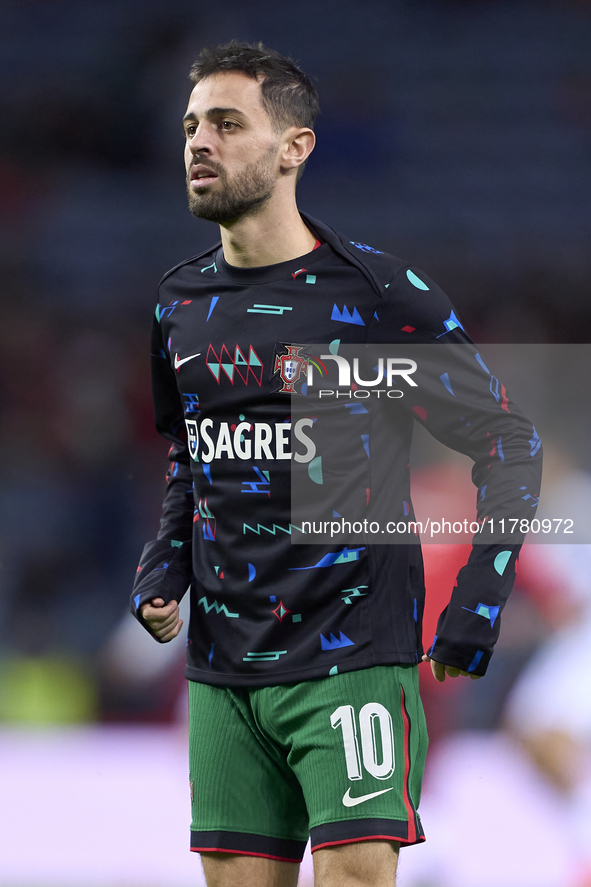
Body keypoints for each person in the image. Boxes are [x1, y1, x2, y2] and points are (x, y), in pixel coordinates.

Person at [131, 41, 542, 887]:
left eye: (227, 123)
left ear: (295, 148)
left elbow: (508, 441)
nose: (198, 142)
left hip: (348, 654)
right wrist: (162, 564)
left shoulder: (378, 294)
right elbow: (191, 454)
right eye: (190, 125)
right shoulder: (177, 303)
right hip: (221, 670)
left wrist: (477, 601)